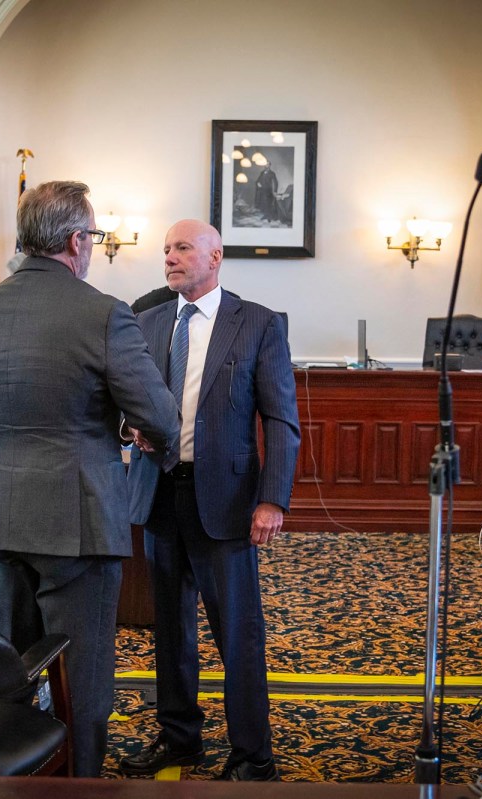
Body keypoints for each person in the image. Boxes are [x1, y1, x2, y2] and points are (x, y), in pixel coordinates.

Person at [0, 180, 179, 777]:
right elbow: (159, 415)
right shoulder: (104, 313)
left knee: (8, 663)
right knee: (82, 677)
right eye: (94, 237)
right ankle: (78, 783)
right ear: (76, 240)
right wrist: (136, 430)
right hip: (76, 520)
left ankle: (10, 775)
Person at [121, 219, 300, 781]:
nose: (169, 258)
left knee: (237, 633)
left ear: (215, 256)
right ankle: (179, 740)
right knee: (170, 630)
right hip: (158, 493)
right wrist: (132, 428)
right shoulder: (146, 322)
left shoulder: (257, 324)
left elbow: (281, 419)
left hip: (225, 499)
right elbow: (128, 403)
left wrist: (273, 500)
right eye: (166, 250)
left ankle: (253, 756)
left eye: (181, 249)